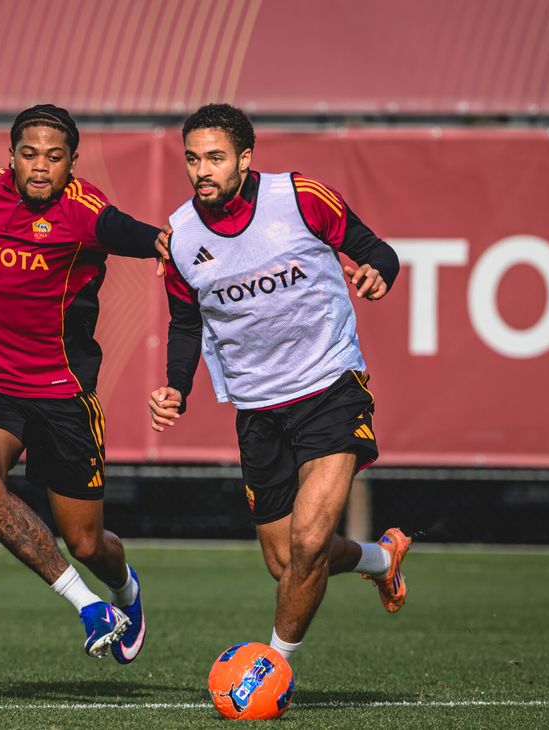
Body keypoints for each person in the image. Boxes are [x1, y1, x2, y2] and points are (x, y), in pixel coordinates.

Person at [148, 103, 410, 662]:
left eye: (215, 158)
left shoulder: (300, 198)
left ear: (245, 158)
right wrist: (177, 387)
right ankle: (381, 559)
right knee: (286, 562)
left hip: (329, 387)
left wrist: (379, 272)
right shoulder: (181, 237)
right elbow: (186, 323)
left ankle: (270, 669)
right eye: (192, 159)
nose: (202, 171)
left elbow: (377, 251)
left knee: (309, 543)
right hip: (257, 409)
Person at [0, 104, 155, 662]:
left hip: (61, 393)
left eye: (53, 156)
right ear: (11, 157)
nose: (40, 166)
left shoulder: (85, 212)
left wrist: (168, 245)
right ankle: (88, 606)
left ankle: (124, 591)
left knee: (87, 543)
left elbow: (136, 234)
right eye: (29, 154)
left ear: (72, 162)